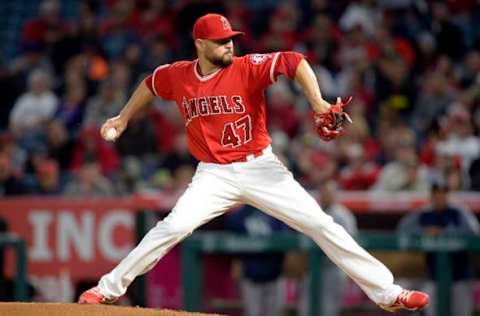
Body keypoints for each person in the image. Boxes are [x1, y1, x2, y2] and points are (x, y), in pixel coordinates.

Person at [78, 13, 429, 312]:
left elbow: (294, 61)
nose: (229, 45)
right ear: (200, 44)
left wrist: (319, 102)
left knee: (322, 225)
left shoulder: (246, 68)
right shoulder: (180, 76)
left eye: (231, 39)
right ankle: (107, 289)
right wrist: (122, 118)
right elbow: (151, 83)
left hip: (261, 168)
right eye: (220, 41)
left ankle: (388, 293)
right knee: (170, 228)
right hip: (213, 175)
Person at [397, 182, 479, 316]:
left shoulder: (458, 211)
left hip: (460, 276)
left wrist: (444, 232)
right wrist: (424, 231)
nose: (439, 196)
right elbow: (403, 228)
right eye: (436, 193)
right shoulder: (425, 213)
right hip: (434, 276)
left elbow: (474, 232)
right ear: (432, 195)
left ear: (447, 195)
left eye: (443, 193)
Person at [298, 179, 357, 316]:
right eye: (323, 192)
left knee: (329, 310)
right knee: (306, 308)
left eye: (329, 192)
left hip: (334, 269)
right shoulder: (312, 212)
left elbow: (351, 244)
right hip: (312, 267)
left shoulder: (343, 215)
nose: (325, 195)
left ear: (335, 194)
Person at [226, 204, 289, 316]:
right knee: (253, 313)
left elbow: (285, 236)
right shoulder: (243, 213)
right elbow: (231, 227)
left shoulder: (275, 211)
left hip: (274, 274)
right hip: (251, 275)